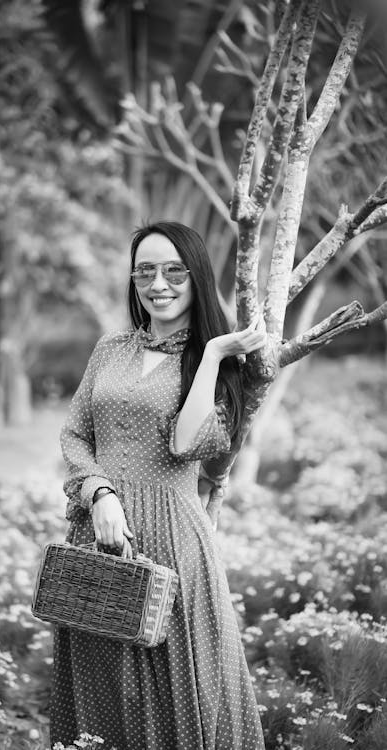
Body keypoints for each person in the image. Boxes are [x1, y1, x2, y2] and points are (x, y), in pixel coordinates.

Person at [51, 221, 266, 750]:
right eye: (145, 270)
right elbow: (76, 433)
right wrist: (98, 494)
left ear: (196, 277)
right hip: (98, 537)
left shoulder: (218, 363)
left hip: (173, 538)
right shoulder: (111, 348)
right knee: (100, 675)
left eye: (174, 270)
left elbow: (188, 443)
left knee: (172, 679)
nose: (158, 283)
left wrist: (212, 354)